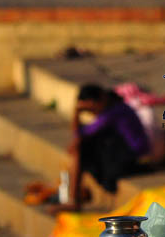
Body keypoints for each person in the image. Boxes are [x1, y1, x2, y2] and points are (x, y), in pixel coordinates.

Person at [53, 83, 150, 212]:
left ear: (100, 99)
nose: (93, 113)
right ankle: (72, 198)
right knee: (81, 148)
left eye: (91, 109)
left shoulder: (114, 111)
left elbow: (79, 135)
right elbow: (81, 135)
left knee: (81, 148)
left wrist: (76, 112)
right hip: (120, 153)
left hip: (129, 155)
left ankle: (73, 200)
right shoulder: (112, 107)